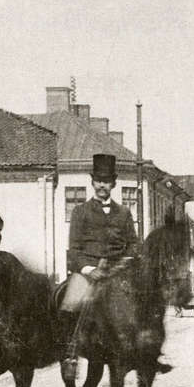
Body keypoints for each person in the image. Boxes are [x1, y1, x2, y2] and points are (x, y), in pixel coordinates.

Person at [59, 154, 138, 372]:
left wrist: (124, 263)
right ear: (93, 182)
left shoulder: (124, 213)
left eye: (107, 181)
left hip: (118, 271)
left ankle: (145, 352)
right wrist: (89, 269)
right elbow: (74, 249)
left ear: (113, 184)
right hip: (88, 272)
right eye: (99, 181)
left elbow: (133, 244)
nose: (102, 185)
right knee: (70, 305)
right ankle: (69, 354)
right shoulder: (80, 212)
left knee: (143, 301)